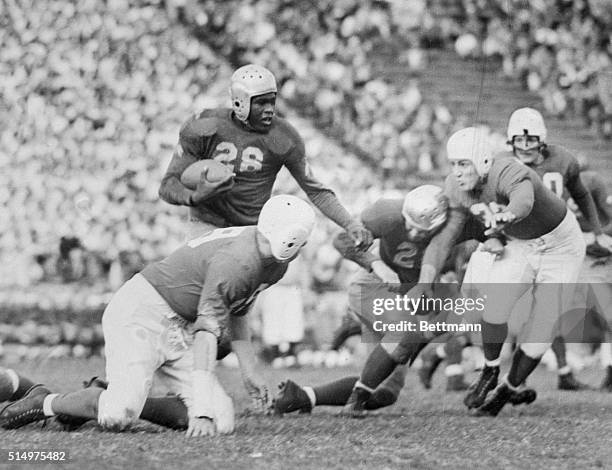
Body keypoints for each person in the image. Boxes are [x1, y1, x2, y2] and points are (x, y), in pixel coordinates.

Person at [0, 195, 316, 436]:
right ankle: (45, 401)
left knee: (223, 420)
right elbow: (207, 333)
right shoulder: (239, 261)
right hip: (142, 311)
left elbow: (239, 307)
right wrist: (201, 410)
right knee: (118, 415)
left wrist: (250, 370)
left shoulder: (271, 261)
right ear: (290, 236)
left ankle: (100, 397)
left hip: (177, 324)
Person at [274, 186, 533, 416]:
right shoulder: (387, 211)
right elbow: (341, 240)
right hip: (375, 285)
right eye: (408, 223)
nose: (411, 231)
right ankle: (357, 398)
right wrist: (376, 264)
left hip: (412, 295)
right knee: (409, 330)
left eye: (420, 230)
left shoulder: (457, 224)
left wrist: (495, 241)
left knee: (386, 393)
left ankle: (302, 395)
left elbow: (492, 234)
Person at [415, 126, 585, 417]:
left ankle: (507, 389)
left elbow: (524, 199)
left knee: (541, 328)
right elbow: (444, 238)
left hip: (561, 246)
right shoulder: (455, 187)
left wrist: (509, 214)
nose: (456, 171)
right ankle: (490, 371)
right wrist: (424, 280)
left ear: (482, 161)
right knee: (493, 307)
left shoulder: (507, 169)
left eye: (463, 163)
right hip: (522, 243)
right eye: (453, 164)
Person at [158, 63, 371, 247]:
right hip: (206, 223)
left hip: (249, 229)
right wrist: (194, 197)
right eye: (261, 103)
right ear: (240, 102)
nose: (269, 109)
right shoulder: (205, 125)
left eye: (272, 101)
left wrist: (350, 224)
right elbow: (168, 184)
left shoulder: (284, 137)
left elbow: (316, 191)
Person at [505, 107, 612, 391]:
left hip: (561, 248)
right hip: (521, 245)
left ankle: (550, 374)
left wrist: (597, 235)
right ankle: (451, 359)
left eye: (531, 140)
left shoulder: (566, 164)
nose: (525, 146)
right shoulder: (504, 166)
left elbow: (584, 199)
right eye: (520, 140)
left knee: (548, 314)